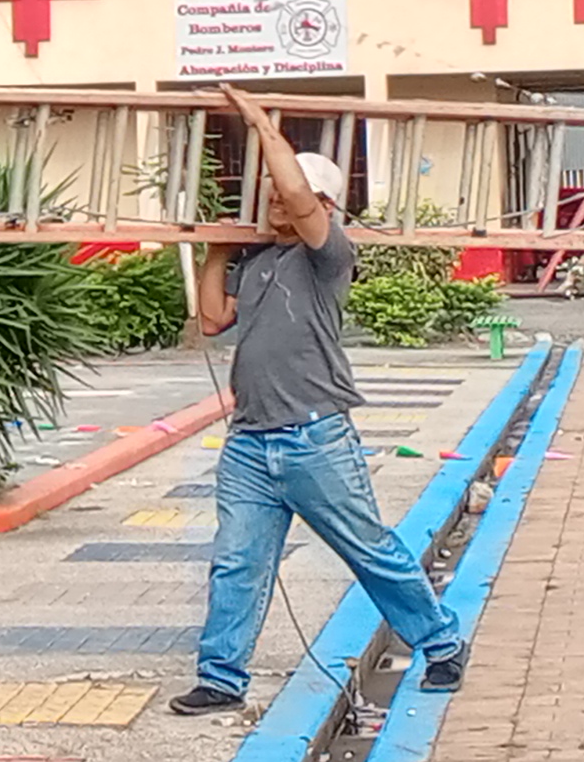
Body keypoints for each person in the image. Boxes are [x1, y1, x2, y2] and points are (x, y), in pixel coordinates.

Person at [171, 87, 469, 720]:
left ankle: (441, 642)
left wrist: (260, 124)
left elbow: (301, 199)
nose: (277, 201)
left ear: (325, 206)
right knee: (237, 562)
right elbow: (213, 318)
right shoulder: (259, 260)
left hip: (314, 438)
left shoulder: (329, 256)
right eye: (273, 195)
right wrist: (218, 251)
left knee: (369, 550)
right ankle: (221, 676)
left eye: (289, 195)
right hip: (250, 442)